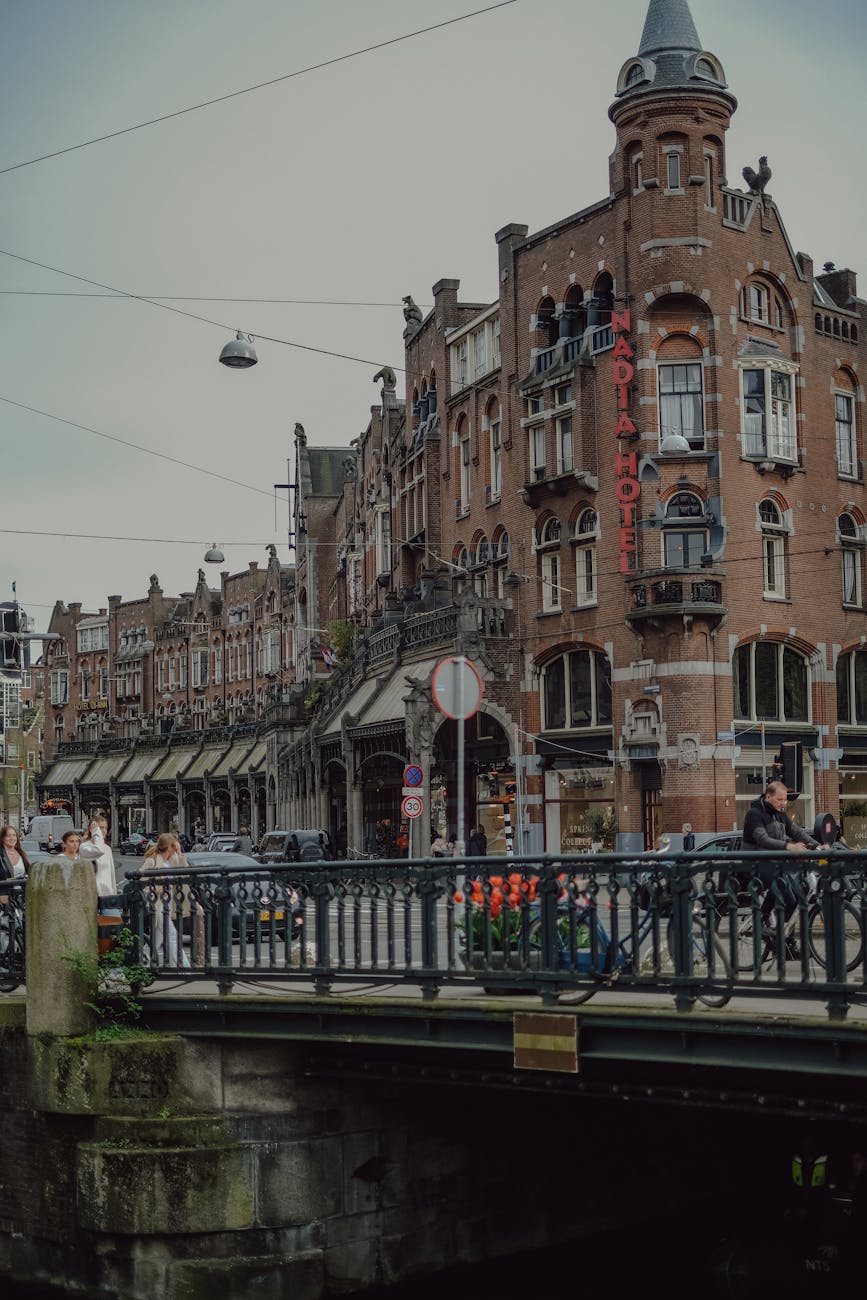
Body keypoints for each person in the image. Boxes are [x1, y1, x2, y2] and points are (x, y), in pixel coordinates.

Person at [742, 780, 819, 942]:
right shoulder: (754, 814)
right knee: (784, 890)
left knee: (796, 895)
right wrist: (789, 846)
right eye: (779, 799)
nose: (783, 803)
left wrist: (818, 846)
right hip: (756, 863)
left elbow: (797, 832)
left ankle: (784, 940)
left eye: (785, 800)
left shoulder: (780, 814)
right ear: (768, 796)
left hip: (775, 863)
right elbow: (762, 840)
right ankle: (762, 921)